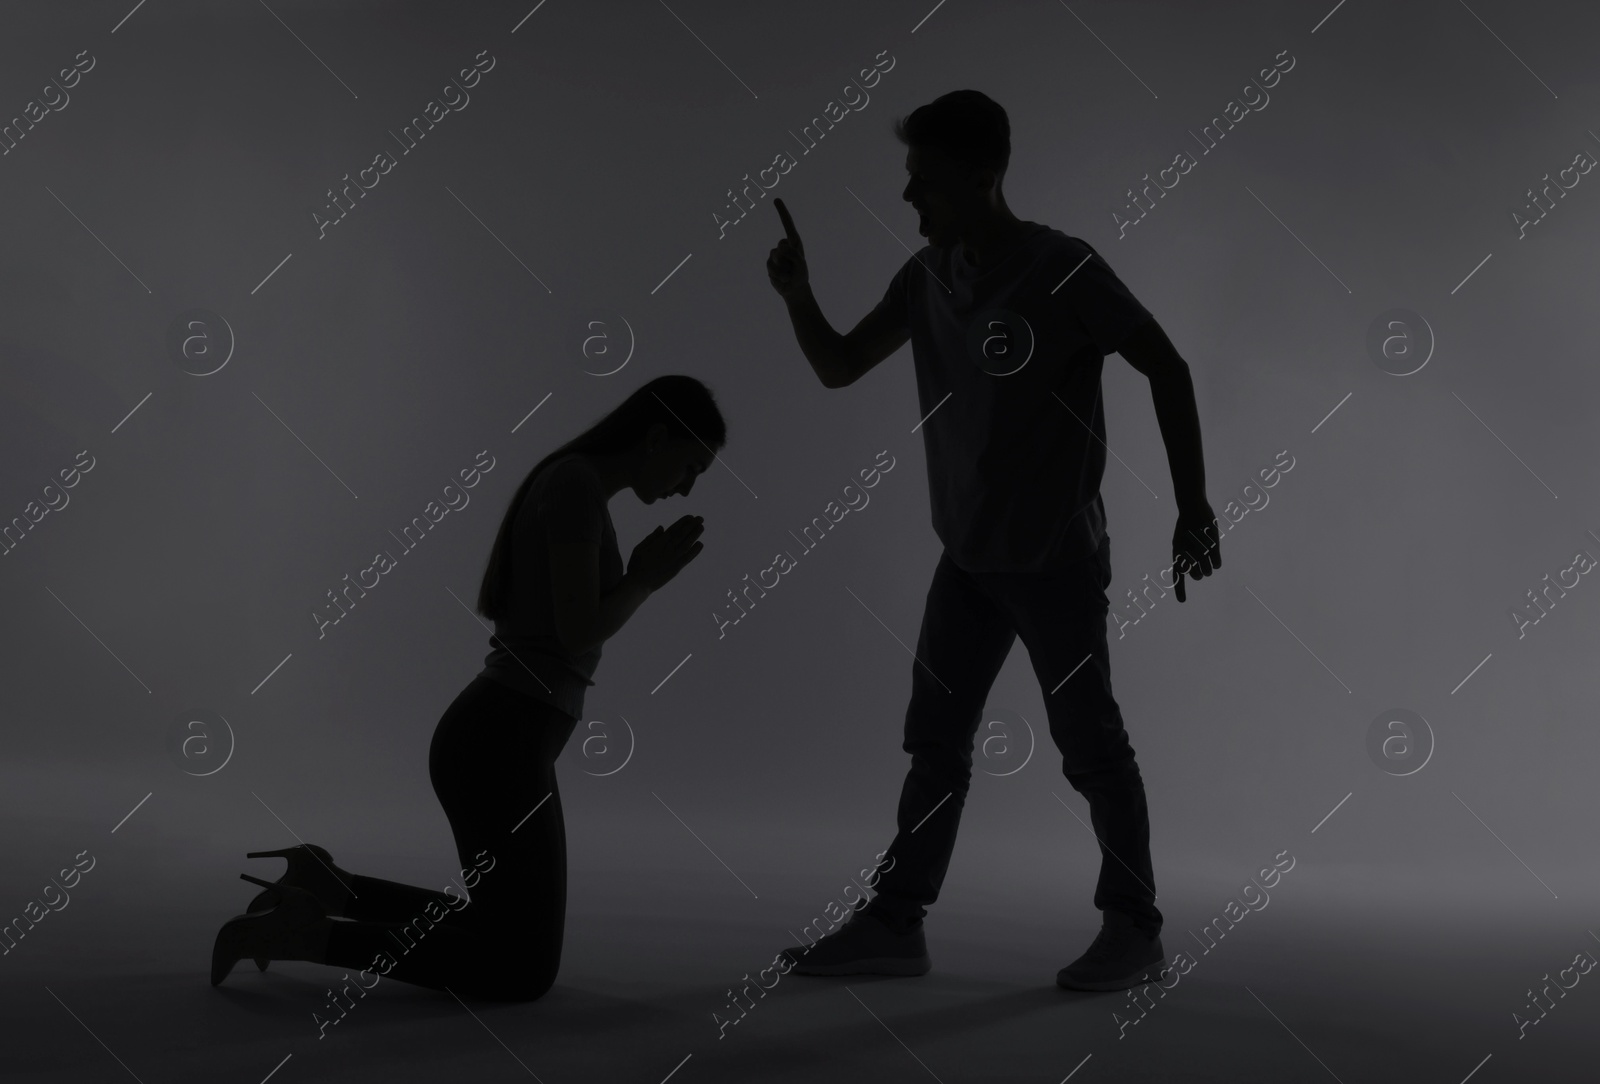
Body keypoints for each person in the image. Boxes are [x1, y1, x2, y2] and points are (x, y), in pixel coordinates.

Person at [766, 90, 1220, 992]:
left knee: (1091, 748)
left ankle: (1135, 928)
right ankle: (897, 925)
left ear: (983, 178)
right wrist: (797, 293)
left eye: (922, 180)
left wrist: (1192, 505)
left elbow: (1165, 363)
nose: (908, 198)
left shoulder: (1061, 267)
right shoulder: (926, 277)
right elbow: (839, 367)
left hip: (1054, 561)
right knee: (935, 741)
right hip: (968, 561)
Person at [211, 375, 723, 1001]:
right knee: (522, 969)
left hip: (504, 739)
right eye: (691, 465)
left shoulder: (580, 487)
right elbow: (577, 630)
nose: (688, 486)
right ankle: (297, 935)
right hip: (498, 741)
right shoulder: (574, 486)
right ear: (656, 436)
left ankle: (328, 889)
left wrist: (641, 578)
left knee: (503, 931)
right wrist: (643, 580)